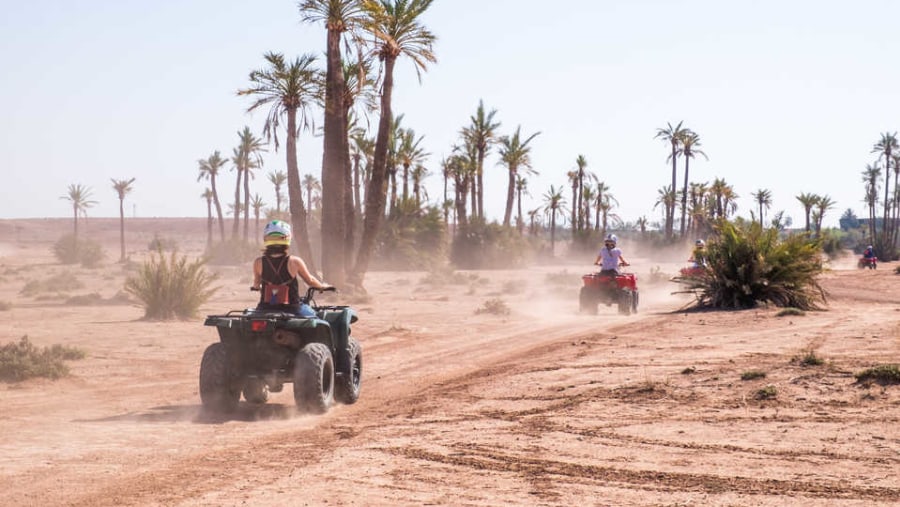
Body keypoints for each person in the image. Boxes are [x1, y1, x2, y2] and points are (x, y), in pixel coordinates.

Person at [252, 220, 331, 317]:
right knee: (317, 317)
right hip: (292, 309)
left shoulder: (258, 262)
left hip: (265, 309)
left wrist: (256, 287)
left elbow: (256, 283)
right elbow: (310, 280)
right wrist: (322, 286)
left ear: (266, 239)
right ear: (287, 238)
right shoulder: (295, 261)